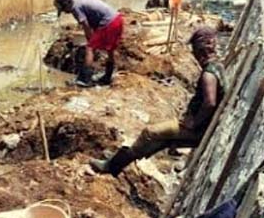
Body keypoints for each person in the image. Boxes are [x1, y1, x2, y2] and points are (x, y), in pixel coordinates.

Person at [91, 27, 225, 176]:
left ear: (200, 51)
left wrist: (194, 123)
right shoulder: (218, 66)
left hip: (198, 129)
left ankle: (113, 165)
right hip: (200, 125)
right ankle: (118, 161)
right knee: (160, 141)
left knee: (150, 132)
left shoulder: (208, 75)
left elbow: (210, 103)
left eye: (194, 50)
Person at [54, 0, 124, 87]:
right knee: (109, 49)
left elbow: (86, 25)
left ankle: (84, 79)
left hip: (108, 22)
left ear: (66, 5)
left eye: (63, 10)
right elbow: (94, 16)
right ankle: (108, 76)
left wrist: (90, 41)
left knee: (90, 49)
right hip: (117, 19)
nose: (65, 12)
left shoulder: (75, 8)